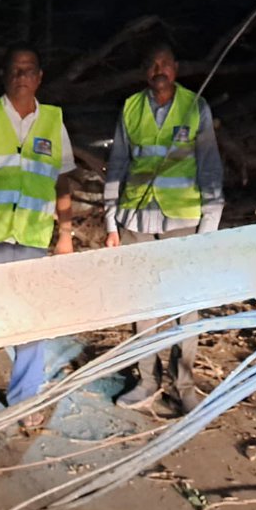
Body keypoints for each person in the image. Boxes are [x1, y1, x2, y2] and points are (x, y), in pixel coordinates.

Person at [0, 45, 76, 428]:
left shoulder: (53, 121)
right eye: (14, 69)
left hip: (32, 238)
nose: (21, 76)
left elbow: (62, 181)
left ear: (39, 77)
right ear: (4, 75)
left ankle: (25, 397)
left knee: (31, 322)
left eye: (28, 70)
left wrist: (65, 234)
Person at [105, 40, 224, 414]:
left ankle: (185, 385)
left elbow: (209, 164)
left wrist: (210, 225)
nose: (159, 70)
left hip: (183, 219)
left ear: (176, 68)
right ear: (145, 71)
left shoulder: (195, 106)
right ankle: (147, 381)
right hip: (137, 218)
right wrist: (111, 220)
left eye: (166, 63)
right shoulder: (131, 107)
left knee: (186, 306)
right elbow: (118, 164)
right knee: (143, 304)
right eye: (152, 64)